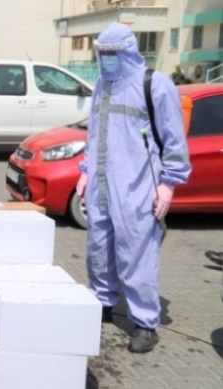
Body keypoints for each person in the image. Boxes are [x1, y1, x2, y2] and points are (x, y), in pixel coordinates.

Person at [75, 22, 191, 354]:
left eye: (111, 54)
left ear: (127, 52)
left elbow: (174, 140)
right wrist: (85, 172)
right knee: (99, 248)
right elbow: (94, 134)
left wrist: (168, 184)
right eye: (102, 54)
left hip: (138, 186)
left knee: (137, 253)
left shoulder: (156, 85)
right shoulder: (102, 85)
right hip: (101, 186)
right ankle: (103, 301)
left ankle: (145, 321)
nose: (106, 60)